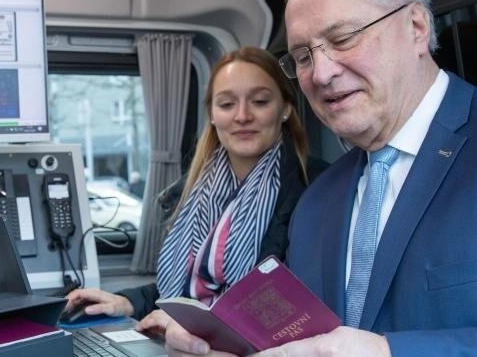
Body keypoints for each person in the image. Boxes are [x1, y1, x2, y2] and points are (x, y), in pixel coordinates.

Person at [166, 0, 477, 356]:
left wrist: (390, 353)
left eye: (343, 39)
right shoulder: (319, 200)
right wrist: (231, 345)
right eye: (303, 56)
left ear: (417, 28)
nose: (320, 73)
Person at [65, 46, 325, 333]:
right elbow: (188, 288)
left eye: (260, 101)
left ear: (285, 109)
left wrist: (197, 326)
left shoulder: (317, 189)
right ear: (212, 115)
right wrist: (126, 302)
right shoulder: (191, 191)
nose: (242, 116)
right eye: (226, 104)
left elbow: (293, 310)